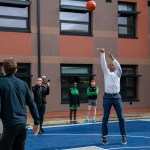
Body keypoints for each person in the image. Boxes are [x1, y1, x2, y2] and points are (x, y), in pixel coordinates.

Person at [0, 57, 40, 150]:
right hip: (22, 126)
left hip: (8, 125)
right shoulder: (23, 84)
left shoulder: (1, 83)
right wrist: (37, 122)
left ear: (3, 69)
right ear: (16, 70)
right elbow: (32, 104)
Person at [97, 48, 127, 145]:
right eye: (111, 65)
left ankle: (123, 136)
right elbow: (103, 64)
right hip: (107, 97)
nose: (112, 66)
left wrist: (112, 58)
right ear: (110, 67)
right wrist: (103, 53)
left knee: (121, 117)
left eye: (113, 65)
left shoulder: (118, 74)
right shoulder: (107, 73)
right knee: (105, 117)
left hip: (117, 97)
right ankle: (104, 137)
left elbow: (119, 67)